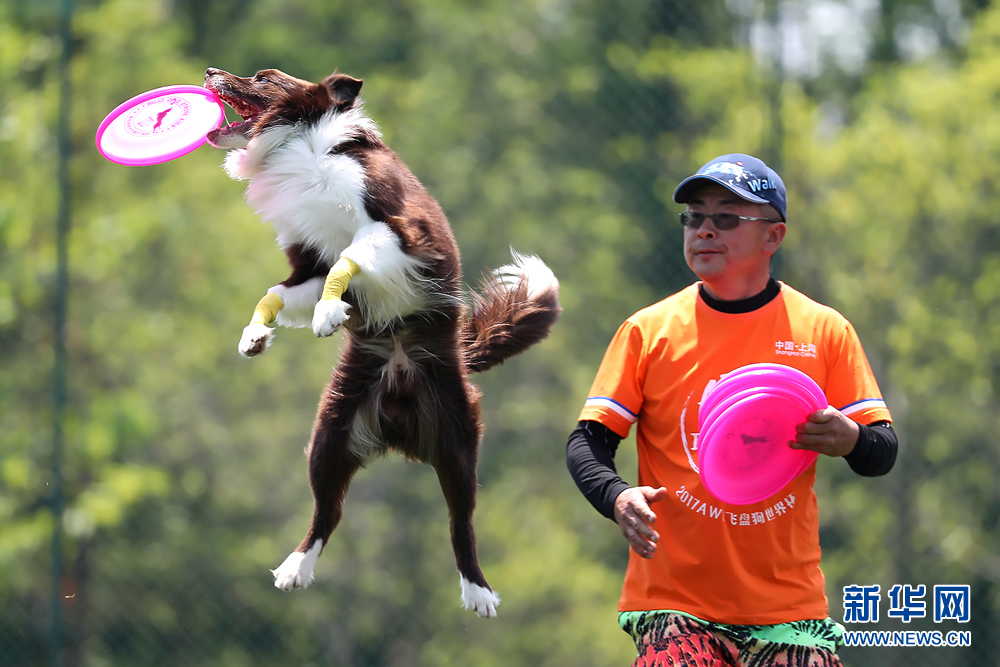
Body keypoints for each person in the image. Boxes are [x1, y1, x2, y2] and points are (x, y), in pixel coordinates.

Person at [566, 153, 897, 666]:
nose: (704, 231)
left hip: (790, 610)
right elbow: (588, 441)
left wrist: (850, 438)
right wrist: (616, 497)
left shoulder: (824, 330)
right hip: (675, 607)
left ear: (773, 237)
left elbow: (881, 451)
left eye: (726, 218)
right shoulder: (648, 332)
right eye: (694, 217)